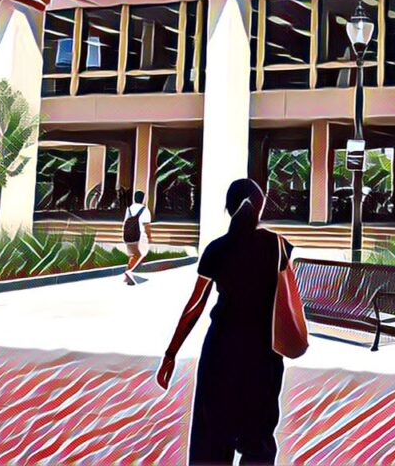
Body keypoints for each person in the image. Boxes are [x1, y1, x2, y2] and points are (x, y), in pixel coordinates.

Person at [156, 178, 291, 465]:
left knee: (213, 436)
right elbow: (288, 297)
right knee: (259, 437)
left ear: (228, 209)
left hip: (221, 350)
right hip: (264, 352)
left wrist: (171, 353)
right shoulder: (278, 246)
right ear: (259, 207)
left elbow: (195, 306)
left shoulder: (217, 249)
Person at [123, 190, 152, 286]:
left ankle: (129, 276)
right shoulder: (144, 209)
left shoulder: (129, 209)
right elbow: (147, 225)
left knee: (133, 255)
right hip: (139, 235)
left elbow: (125, 221)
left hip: (127, 234)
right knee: (141, 253)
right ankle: (129, 271)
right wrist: (149, 237)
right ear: (143, 199)